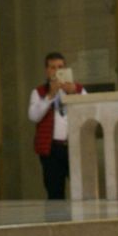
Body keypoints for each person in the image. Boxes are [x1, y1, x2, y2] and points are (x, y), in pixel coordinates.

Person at [28, 52, 85, 200]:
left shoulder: (78, 89)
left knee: (82, 190)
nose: (56, 71)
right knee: (55, 193)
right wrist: (50, 96)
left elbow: (90, 111)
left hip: (75, 146)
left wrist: (74, 94)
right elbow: (33, 116)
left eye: (60, 67)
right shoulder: (39, 92)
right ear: (47, 71)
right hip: (51, 149)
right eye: (52, 67)